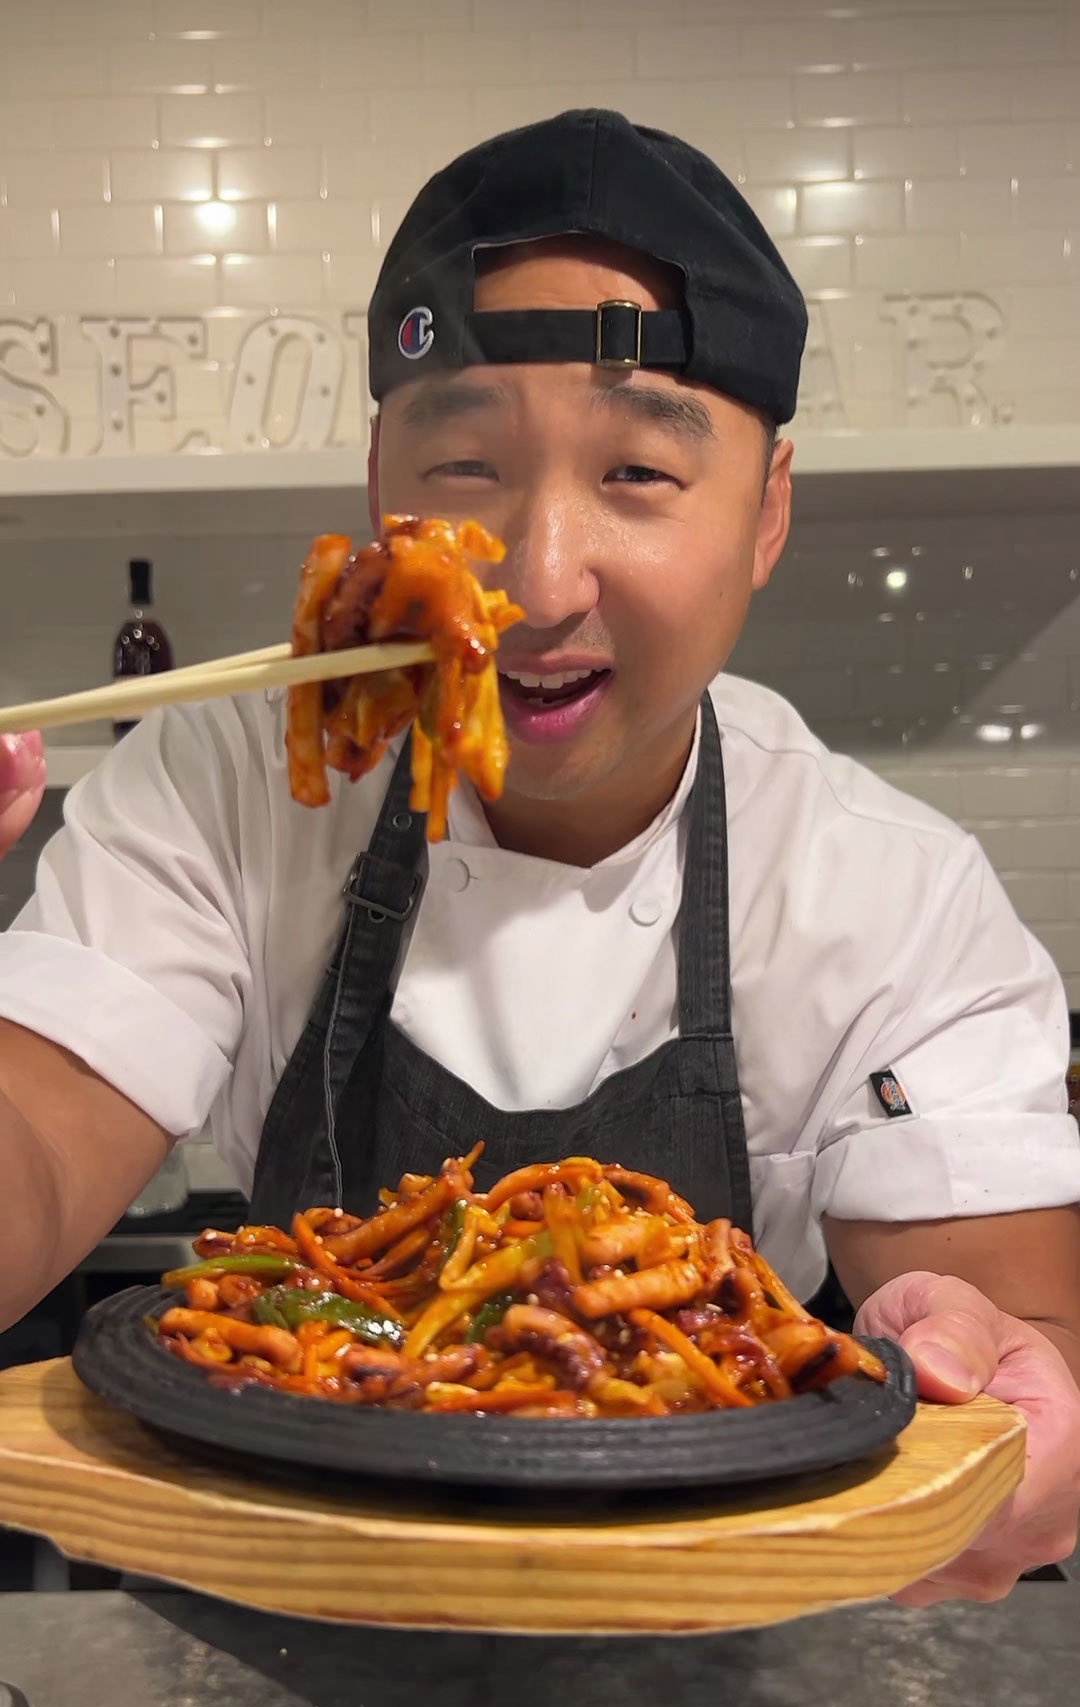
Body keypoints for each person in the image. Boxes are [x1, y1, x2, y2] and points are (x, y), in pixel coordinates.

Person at [0, 109, 1077, 1604]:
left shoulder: (883, 889)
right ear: (378, 473)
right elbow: (37, 1141)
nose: (535, 576)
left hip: (710, 1679)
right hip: (267, 1660)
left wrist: (1010, 1404)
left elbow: (1013, 1313)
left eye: (639, 472)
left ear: (767, 513)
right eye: (462, 465)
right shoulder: (226, 783)